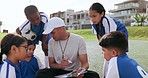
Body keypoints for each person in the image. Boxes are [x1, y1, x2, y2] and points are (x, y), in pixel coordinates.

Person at [35, 17, 100, 78]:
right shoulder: (51, 42)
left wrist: (80, 71)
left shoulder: (79, 40)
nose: (51, 36)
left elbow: (85, 64)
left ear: (61, 29)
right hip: (59, 72)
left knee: (94, 76)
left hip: (75, 72)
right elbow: (51, 64)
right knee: (40, 74)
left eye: (53, 33)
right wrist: (60, 66)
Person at [89, 2, 129, 77]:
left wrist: (107, 50)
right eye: (90, 16)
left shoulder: (106, 20)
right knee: (107, 56)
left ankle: (121, 71)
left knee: (117, 55)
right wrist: (104, 49)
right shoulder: (93, 22)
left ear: (102, 14)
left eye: (94, 16)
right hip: (109, 35)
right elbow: (99, 37)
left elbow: (111, 37)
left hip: (119, 32)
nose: (92, 19)